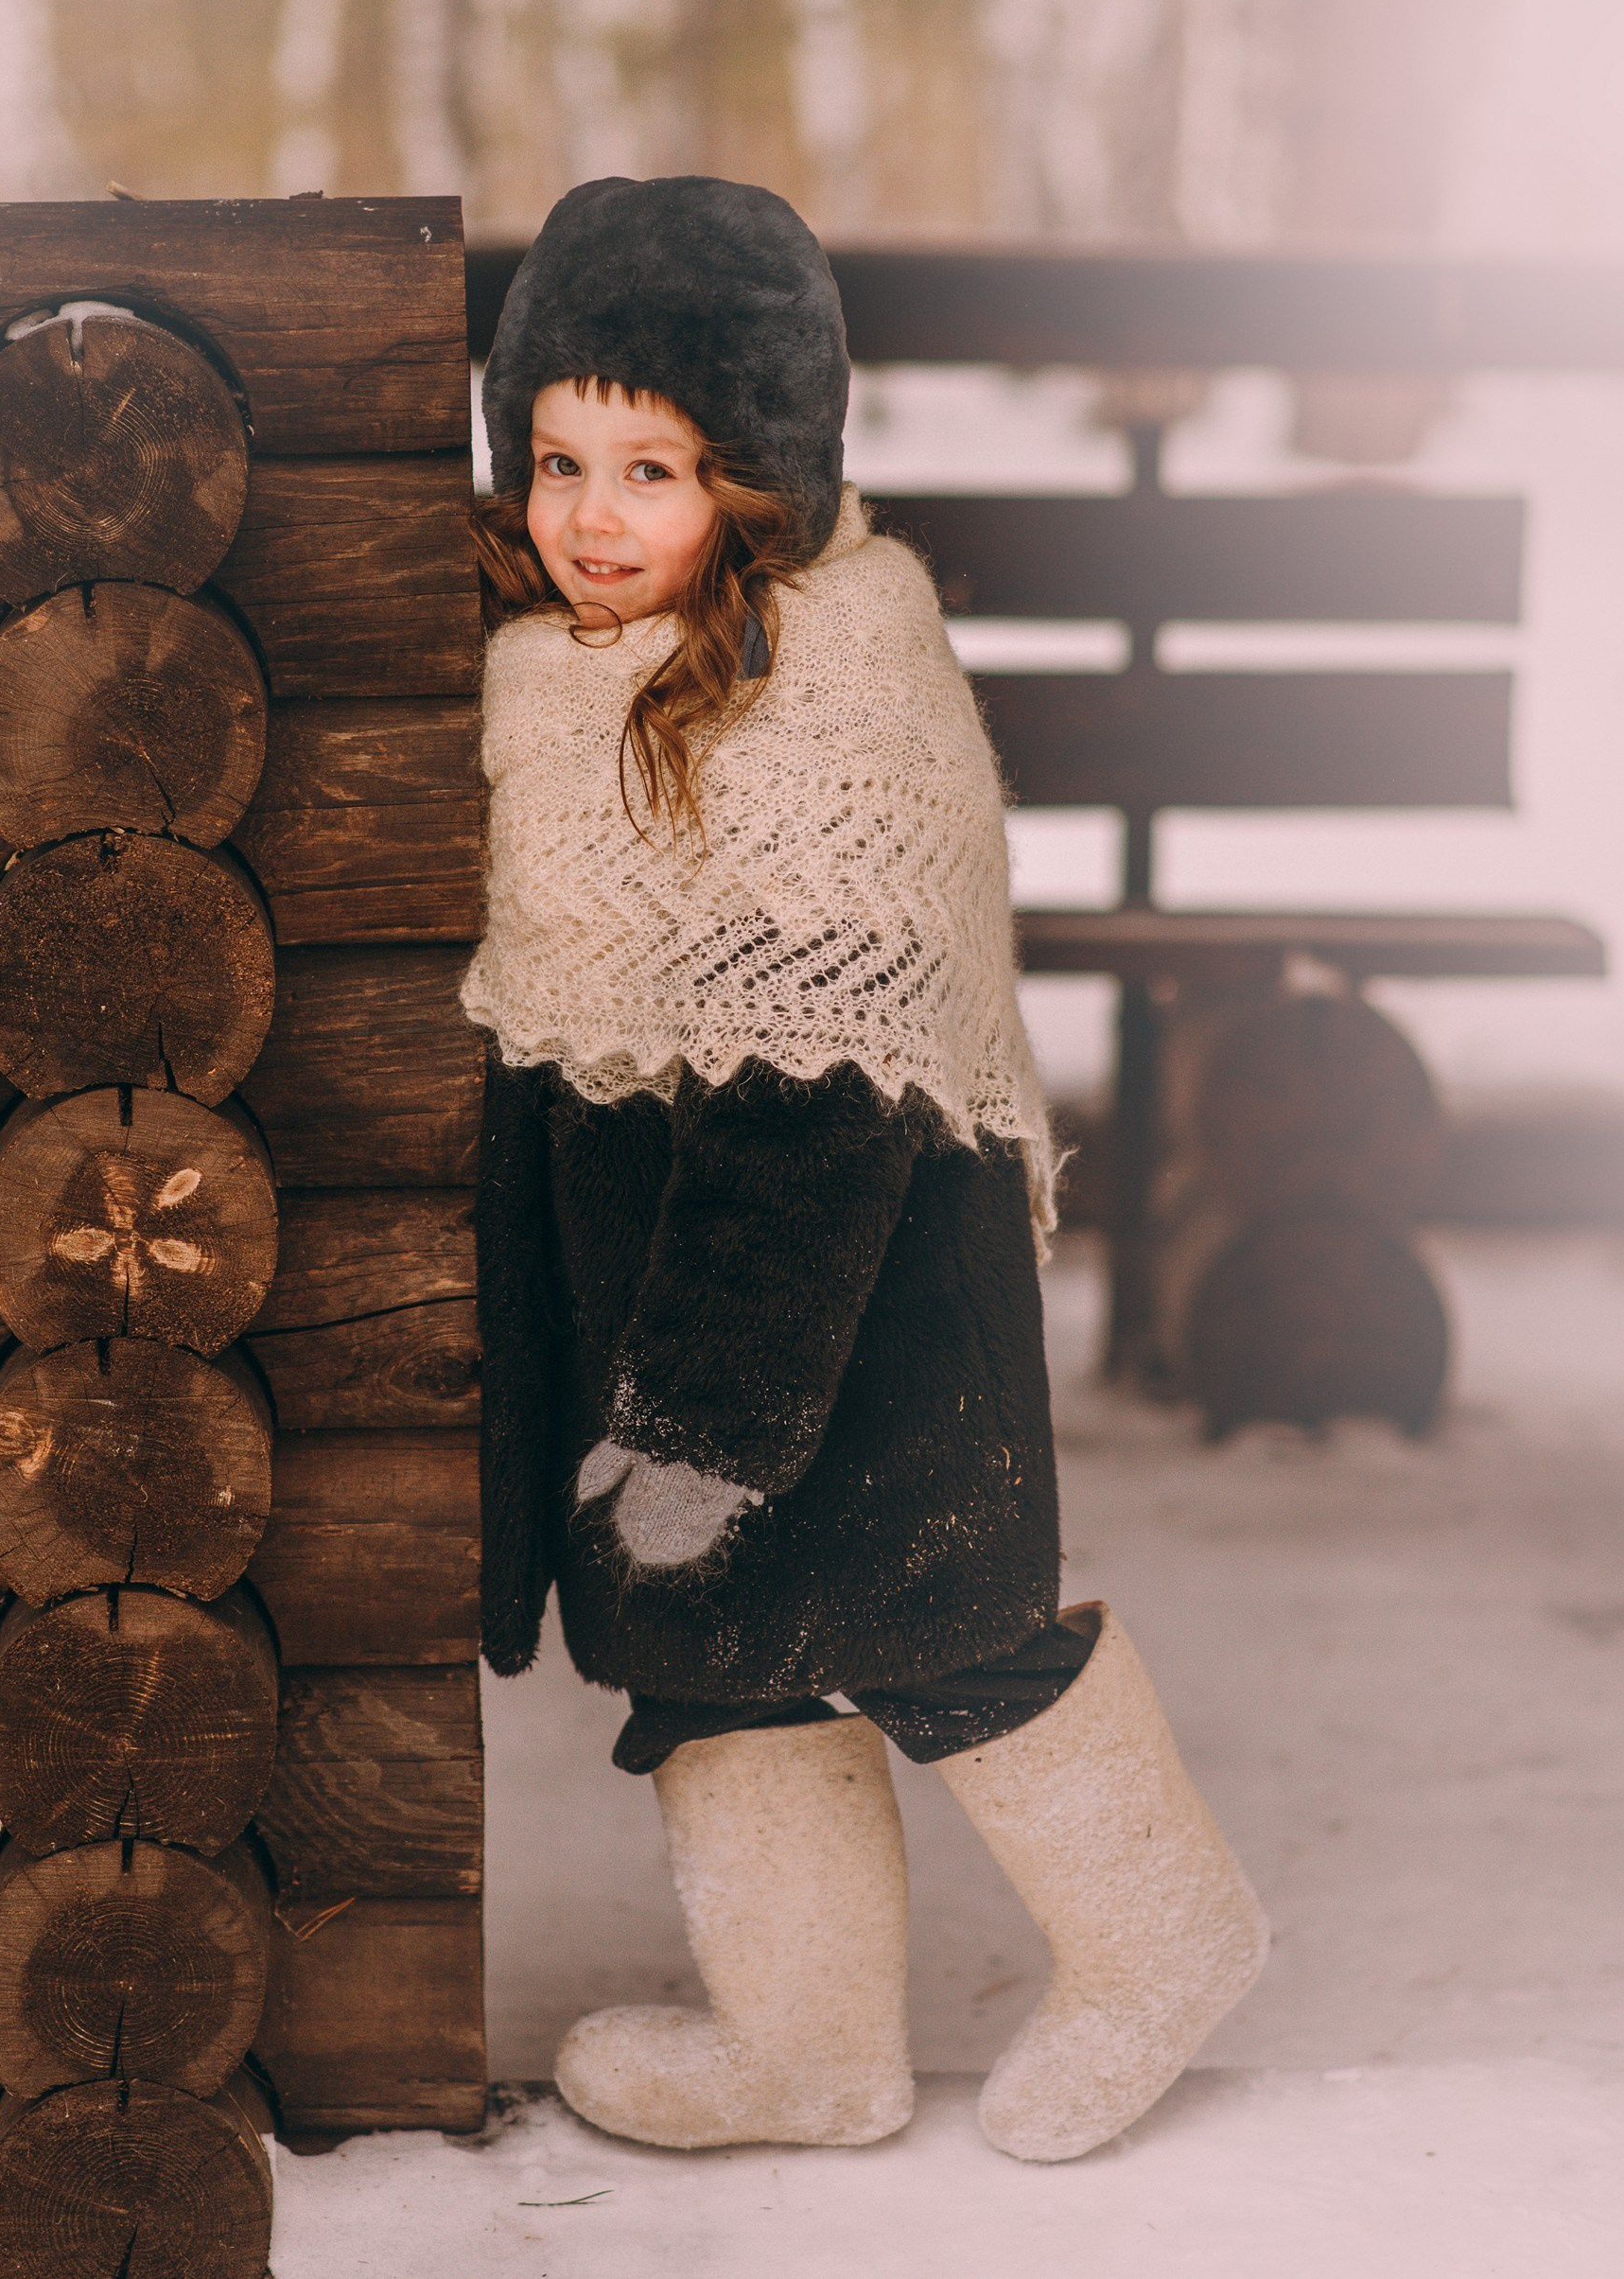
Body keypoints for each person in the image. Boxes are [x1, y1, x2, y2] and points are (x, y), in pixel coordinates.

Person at [463, 174, 1266, 2161]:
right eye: (556, 459)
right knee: (709, 1672)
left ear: (762, 478)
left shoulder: (839, 694)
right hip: (643, 1275)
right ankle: (805, 2047)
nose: (589, 514)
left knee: (942, 1621)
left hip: (863, 1287)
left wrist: (703, 1422)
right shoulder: (548, 682)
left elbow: (820, 1102)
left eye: (652, 469)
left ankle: (1160, 1934)